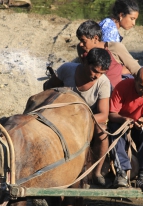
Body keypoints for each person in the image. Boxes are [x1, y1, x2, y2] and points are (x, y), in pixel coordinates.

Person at [44, 48, 111, 187]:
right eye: (94, 70)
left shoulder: (103, 83)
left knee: (103, 132)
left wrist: (80, 121)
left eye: (101, 73)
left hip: (87, 122)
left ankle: (97, 172)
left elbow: (103, 115)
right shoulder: (67, 69)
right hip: (61, 118)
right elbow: (48, 86)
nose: (97, 76)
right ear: (85, 62)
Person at [108, 66, 143, 191]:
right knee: (113, 129)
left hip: (141, 126)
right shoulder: (122, 87)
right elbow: (112, 114)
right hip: (122, 124)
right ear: (134, 80)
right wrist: (124, 119)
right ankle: (121, 172)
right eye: (141, 86)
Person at [76, 20, 141, 88]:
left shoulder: (115, 48)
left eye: (83, 41)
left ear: (95, 38)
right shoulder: (81, 49)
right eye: (80, 40)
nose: (80, 44)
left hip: (113, 93)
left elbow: (136, 70)